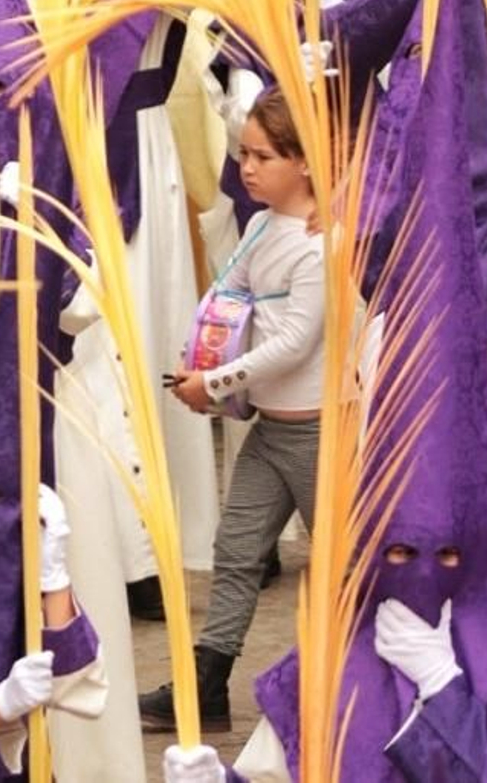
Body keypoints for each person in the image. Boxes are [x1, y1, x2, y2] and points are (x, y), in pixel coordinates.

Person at [139, 90, 322, 735]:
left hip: (321, 437)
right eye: (242, 153)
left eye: (262, 155)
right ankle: (208, 684)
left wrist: (214, 382)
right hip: (272, 430)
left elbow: (295, 341)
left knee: (344, 569)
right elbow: (234, 296)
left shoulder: (322, 243)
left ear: (304, 162)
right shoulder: (260, 225)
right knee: (237, 550)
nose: (246, 167)